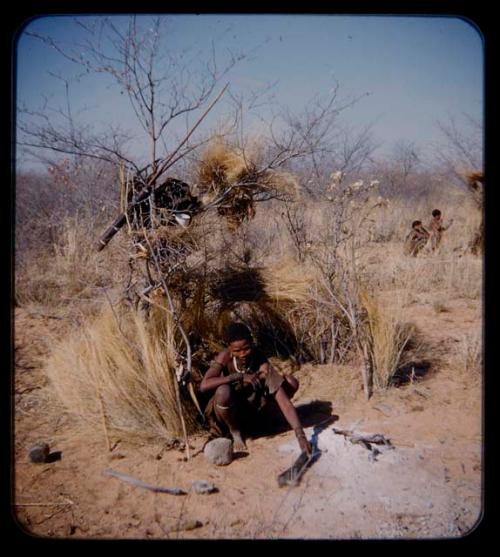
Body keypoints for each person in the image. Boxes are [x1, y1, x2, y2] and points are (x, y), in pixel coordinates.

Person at [200, 322, 312, 456]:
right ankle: (235, 432)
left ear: (252, 343)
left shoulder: (260, 360)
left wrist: (300, 435)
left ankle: (269, 421)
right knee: (223, 391)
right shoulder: (224, 357)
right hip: (230, 412)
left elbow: (282, 399)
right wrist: (238, 377)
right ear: (229, 348)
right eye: (237, 351)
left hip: (253, 409)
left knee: (290, 382)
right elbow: (204, 385)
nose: (242, 354)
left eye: (246, 348)